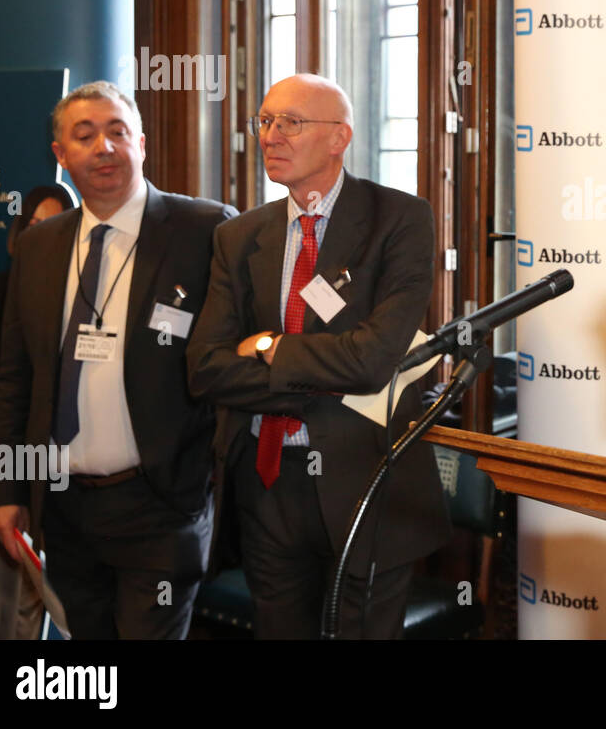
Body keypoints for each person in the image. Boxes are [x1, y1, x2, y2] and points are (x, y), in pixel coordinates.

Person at [187, 73, 450, 639]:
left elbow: (372, 361)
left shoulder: (400, 220)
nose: (270, 136)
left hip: (367, 481)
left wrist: (266, 348)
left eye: (291, 122)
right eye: (264, 121)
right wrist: (321, 378)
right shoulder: (240, 236)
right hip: (267, 482)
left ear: (339, 139)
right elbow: (205, 368)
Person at [0, 81, 236, 638]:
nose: (104, 147)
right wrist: (5, 489)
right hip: (64, 507)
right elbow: (14, 379)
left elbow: (232, 359)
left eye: (118, 132)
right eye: (85, 135)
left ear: (141, 144)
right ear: (61, 156)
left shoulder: (204, 228)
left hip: (162, 504)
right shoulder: (39, 245)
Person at [0, 185, 72, 639]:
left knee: (40, 602)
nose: (44, 235)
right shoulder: (2, 290)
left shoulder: (85, 294)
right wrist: (3, 483)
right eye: (34, 225)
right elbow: (1, 391)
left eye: (56, 225)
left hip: (56, 469)